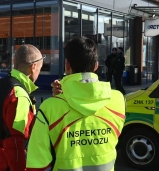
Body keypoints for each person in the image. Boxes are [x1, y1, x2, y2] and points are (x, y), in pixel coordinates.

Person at [26, 37, 126, 171]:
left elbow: (38, 164)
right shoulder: (118, 99)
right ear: (96, 66)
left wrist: (61, 95)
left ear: (67, 65)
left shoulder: (49, 107)